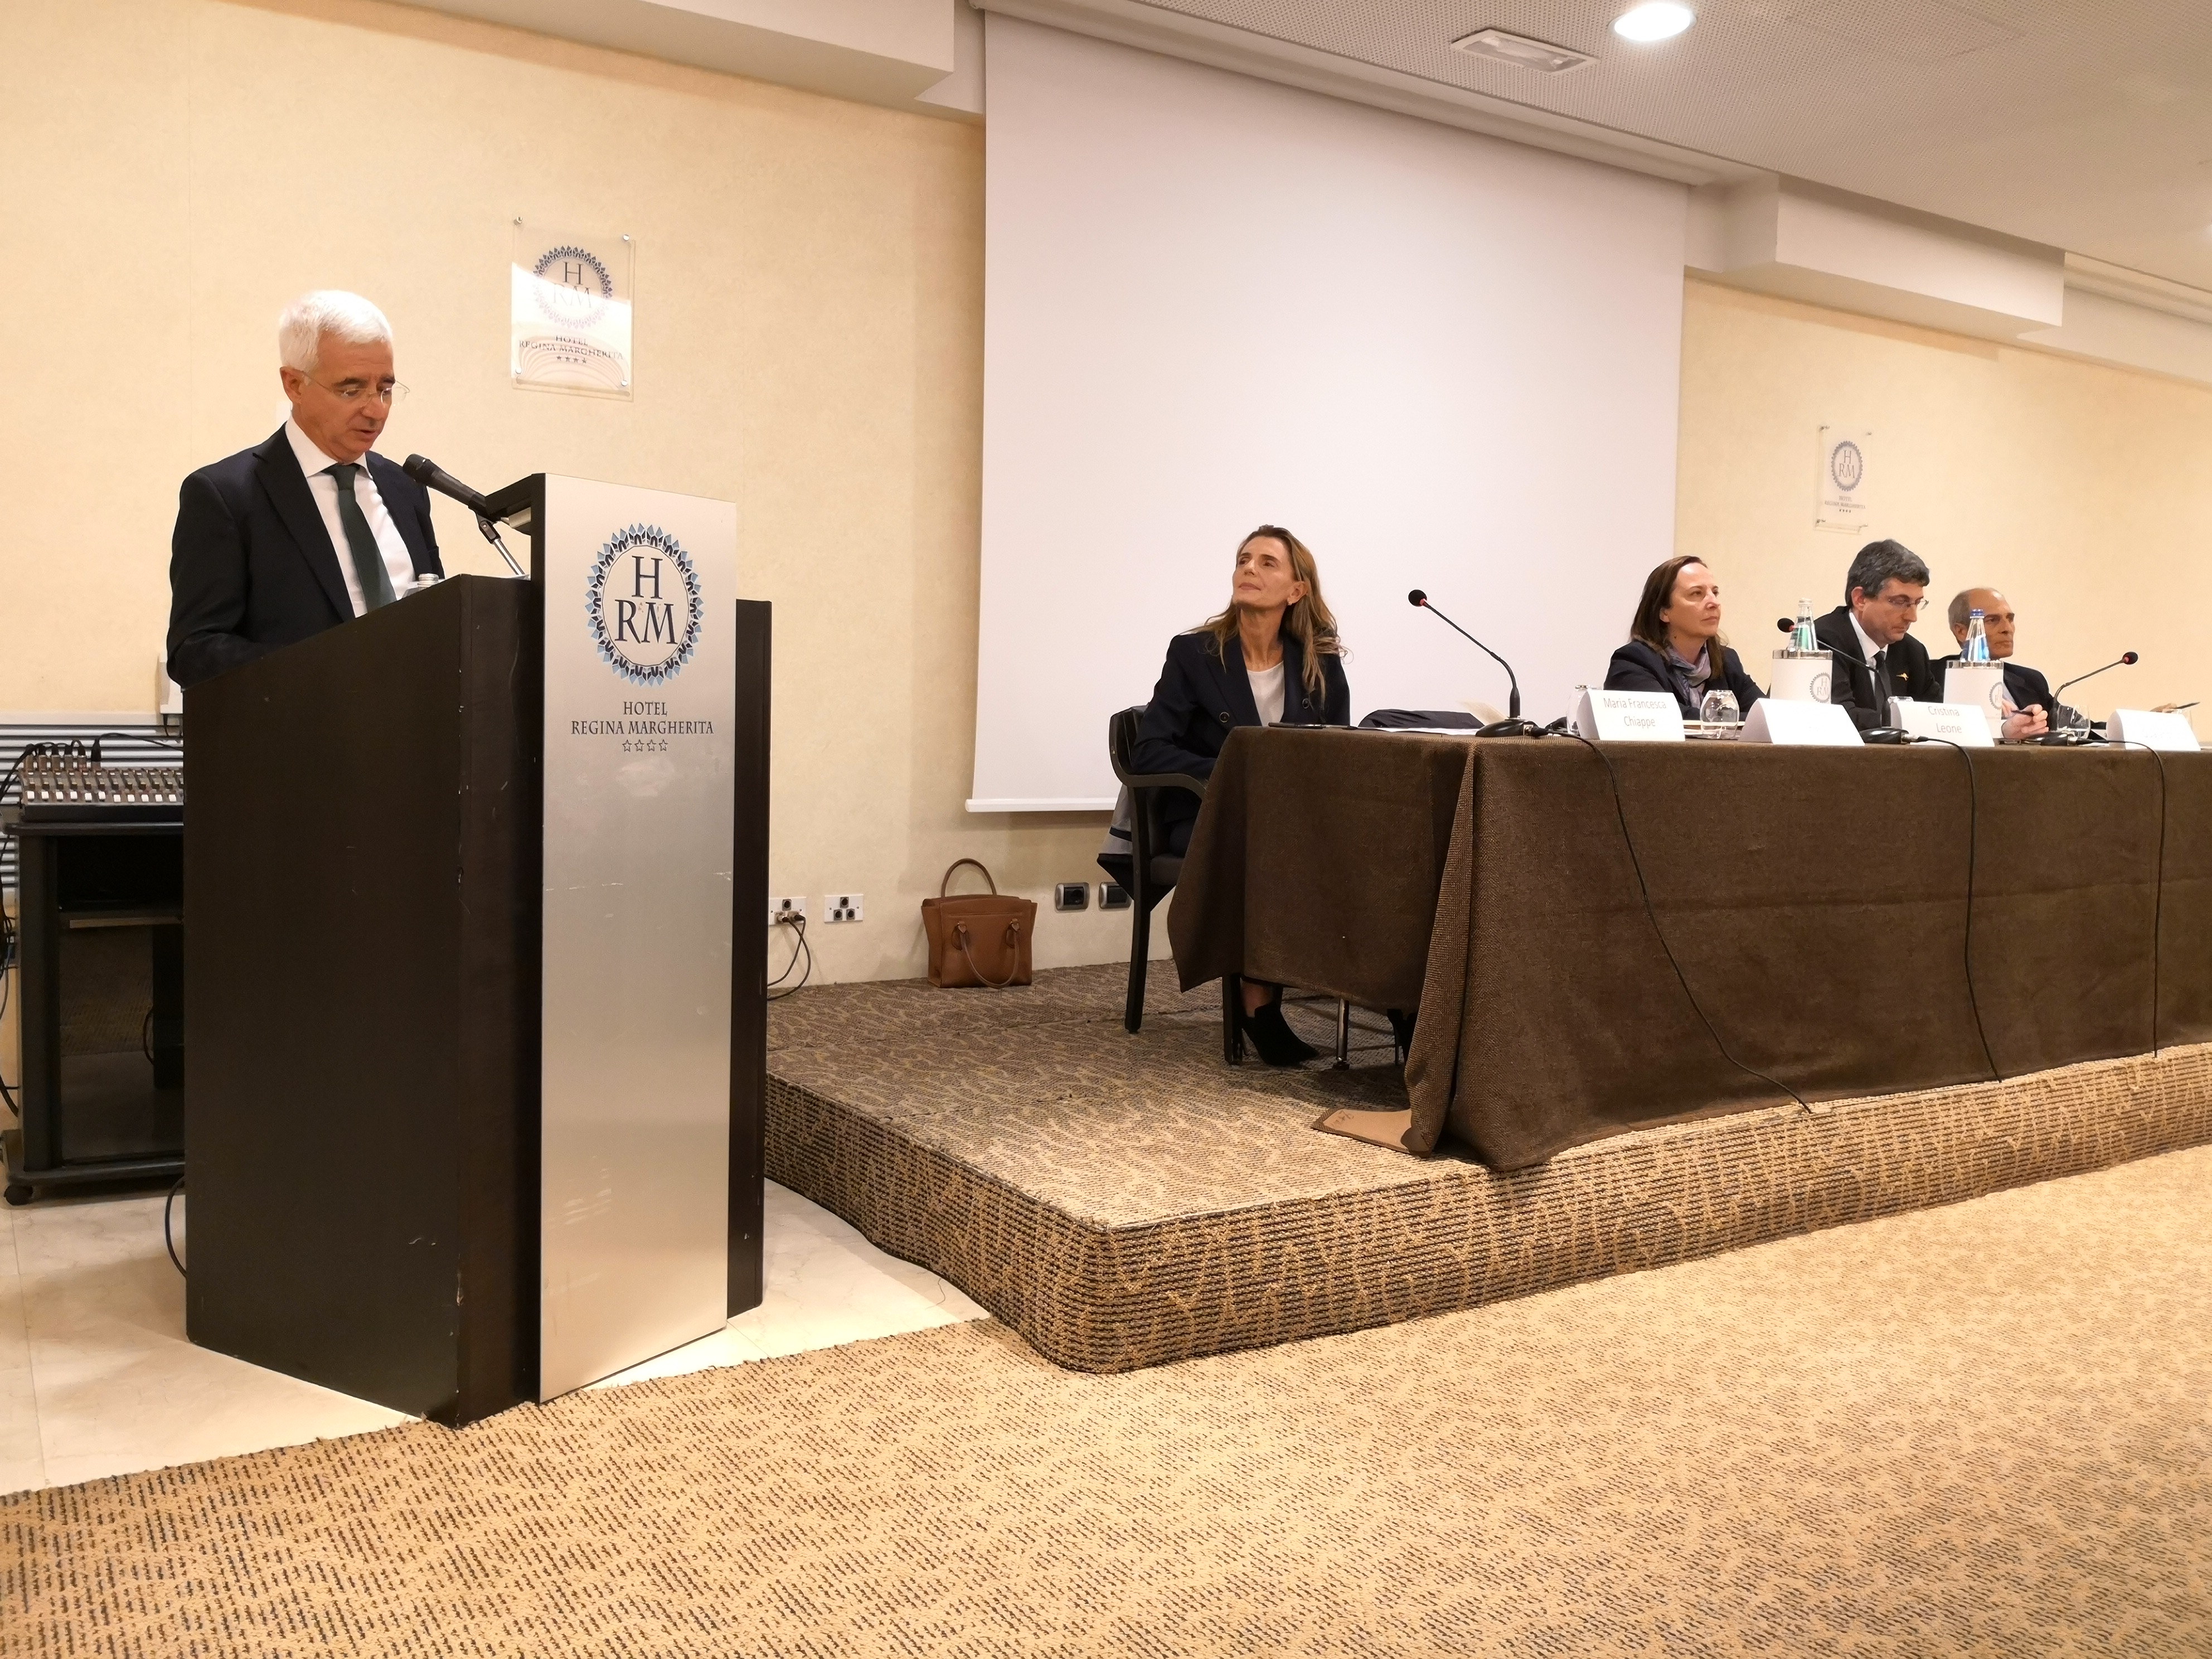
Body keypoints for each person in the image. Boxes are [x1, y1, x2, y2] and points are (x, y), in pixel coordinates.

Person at [1133, 524, 1349, 1065]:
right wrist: (1232, 772)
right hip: (1208, 815)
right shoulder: (1194, 654)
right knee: (1271, 847)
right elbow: (1149, 749)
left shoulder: (1319, 661)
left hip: (1292, 820)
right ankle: (1259, 1005)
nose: (1248, 568)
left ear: (1296, 590)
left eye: (1266, 563)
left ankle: (1388, 999)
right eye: (1243, 559)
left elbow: (1340, 752)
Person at [167, 291, 443, 688]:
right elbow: (194, 651)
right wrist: (327, 669)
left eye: (385, 389)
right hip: (300, 722)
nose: (376, 410)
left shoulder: (406, 487)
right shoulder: (226, 496)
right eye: (351, 390)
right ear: (294, 384)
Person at [1811, 539, 1946, 734]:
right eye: (1901, 602)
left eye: (1917, 603)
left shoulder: (1913, 652)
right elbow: (1838, 717)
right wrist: (1905, 719)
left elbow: (1938, 714)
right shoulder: (1823, 641)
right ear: (1860, 599)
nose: (1912, 617)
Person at [1604, 555, 1764, 720]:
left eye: (1715, 593)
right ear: (1664, 612)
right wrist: (1737, 720)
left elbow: (1767, 716)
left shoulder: (1727, 661)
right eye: (1697, 593)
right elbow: (1667, 718)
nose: (1714, 603)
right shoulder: (1633, 661)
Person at [1932, 588, 2061, 733]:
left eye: (2010, 619)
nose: (2007, 629)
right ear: (1961, 631)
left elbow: (2067, 723)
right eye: (1992, 620)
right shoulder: (1933, 678)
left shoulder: (2031, 680)